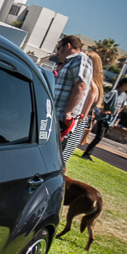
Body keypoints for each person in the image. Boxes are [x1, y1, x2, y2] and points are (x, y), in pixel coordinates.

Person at [52, 35, 93, 163]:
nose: (57, 52)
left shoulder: (80, 59)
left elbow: (81, 85)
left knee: (51, 156)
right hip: (56, 116)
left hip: (62, 119)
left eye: (59, 48)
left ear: (67, 46)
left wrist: (68, 112)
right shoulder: (70, 62)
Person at [61, 51, 104, 162]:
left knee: (61, 155)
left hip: (74, 123)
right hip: (77, 124)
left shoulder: (90, 86)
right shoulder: (94, 85)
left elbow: (82, 114)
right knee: (63, 156)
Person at [82, 78, 127, 160]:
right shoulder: (114, 93)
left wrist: (116, 116)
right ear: (124, 83)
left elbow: (122, 106)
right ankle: (86, 154)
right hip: (104, 118)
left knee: (100, 138)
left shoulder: (124, 96)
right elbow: (102, 101)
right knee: (99, 137)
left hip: (111, 120)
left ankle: (88, 154)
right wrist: (103, 110)